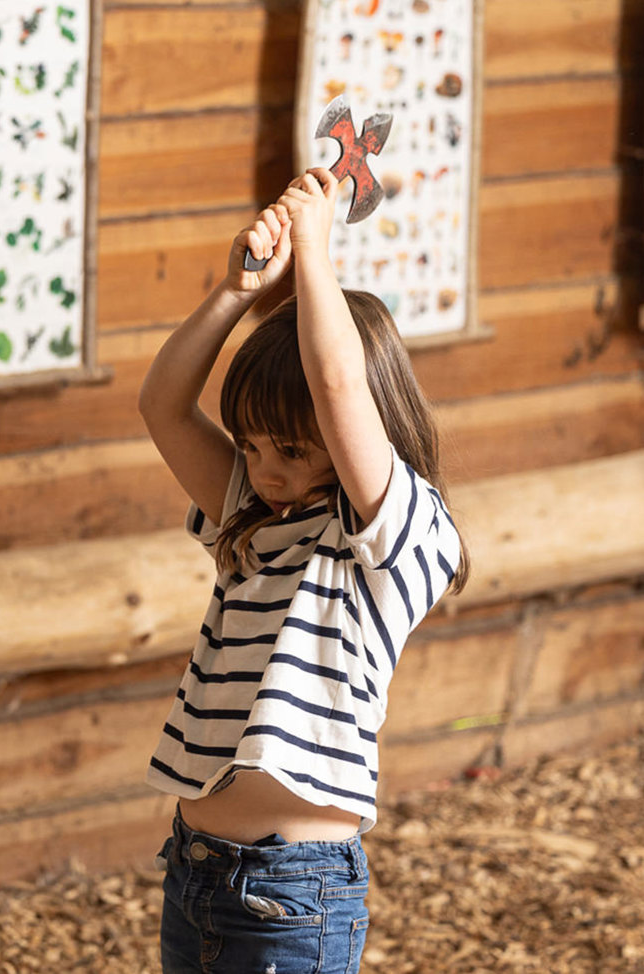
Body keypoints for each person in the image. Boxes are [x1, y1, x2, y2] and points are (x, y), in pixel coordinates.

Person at [138, 168, 469, 974]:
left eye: (291, 448)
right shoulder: (251, 522)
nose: (265, 469)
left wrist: (314, 252)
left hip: (293, 892)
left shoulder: (391, 534)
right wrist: (235, 293)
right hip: (194, 871)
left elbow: (334, 381)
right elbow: (162, 405)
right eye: (251, 445)